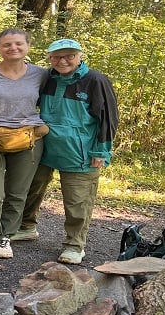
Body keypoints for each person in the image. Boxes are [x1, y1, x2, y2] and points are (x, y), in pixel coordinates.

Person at [20, 39, 119, 264]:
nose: (62, 61)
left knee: (77, 200)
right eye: (56, 56)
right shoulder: (47, 78)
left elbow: (108, 118)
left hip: (80, 151)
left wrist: (101, 151)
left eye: (69, 56)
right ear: (49, 58)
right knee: (30, 188)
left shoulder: (95, 80)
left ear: (80, 56)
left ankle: (75, 245)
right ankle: (26, 226)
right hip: (44, 146)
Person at [0, 28, 49, 259]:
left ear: (28, 46)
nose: (13, 48)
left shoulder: (41, 75)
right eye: (7, 45)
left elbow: (53, 101)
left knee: (17, 193)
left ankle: (5, 236)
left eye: (18, 44)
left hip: (29, 140)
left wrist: (45, 127)